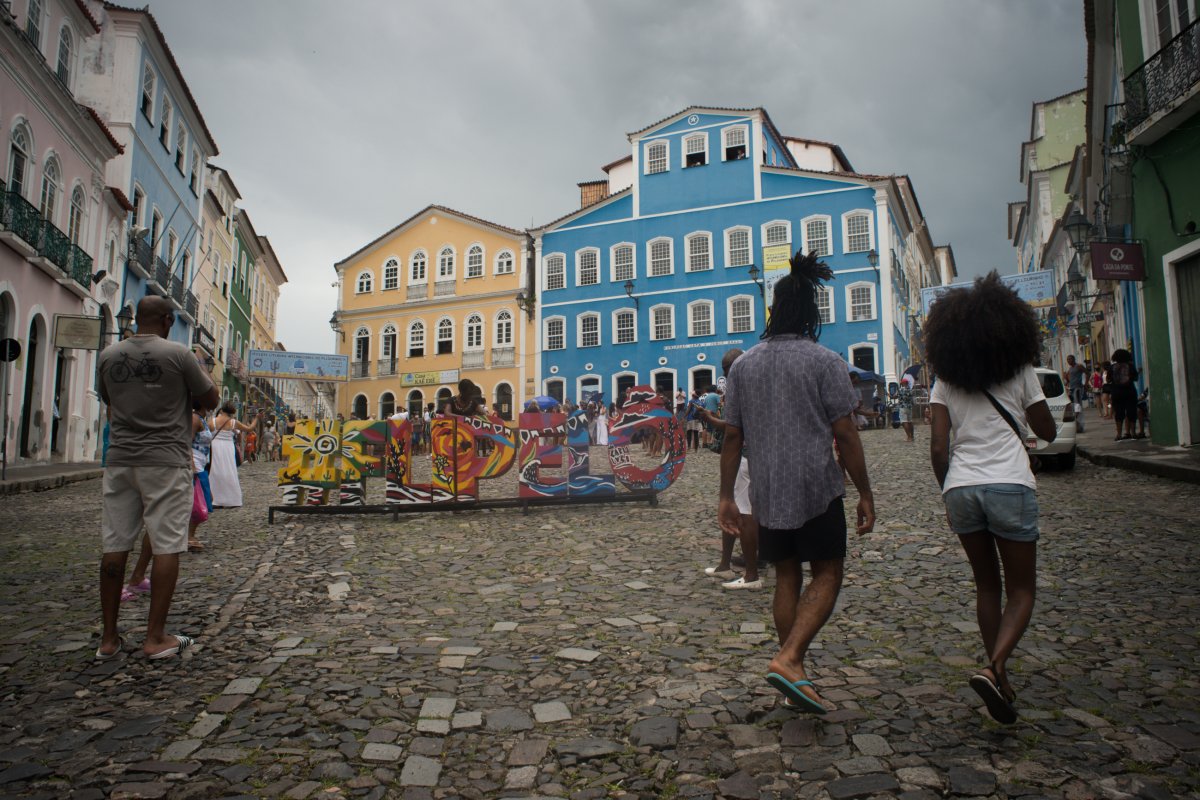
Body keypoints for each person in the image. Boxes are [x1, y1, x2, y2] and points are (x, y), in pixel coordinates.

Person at [718, 252, 875, 714]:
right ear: (810, 312)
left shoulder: (744, 366)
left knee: (786, 574)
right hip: (818, 486)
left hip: (767, 489)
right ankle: (789, 660)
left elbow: (732, 436)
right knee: (827, 571)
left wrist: (727, 496)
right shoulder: (825, 361)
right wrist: (864, 491)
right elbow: (845, 432)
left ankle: (794, 669)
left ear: (773, 310)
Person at [926, 272, 1057, 725]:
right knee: (1022, 589)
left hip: (961, 486)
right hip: (1009, 484)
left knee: (987, 586)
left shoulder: (944, 382)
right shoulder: (1020, 371)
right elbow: (1046, 431)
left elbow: (939, 448)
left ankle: (996, 676)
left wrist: (948, 492)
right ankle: (995, 666)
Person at [95, 295, 218, 659]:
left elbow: (109, 400)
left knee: (115, 543)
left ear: (136, 320)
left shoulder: (108, 355)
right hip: (165, 459)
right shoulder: (178, 355)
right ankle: (155, 638)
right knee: (167, 545)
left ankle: (108, 639)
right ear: (167, 320)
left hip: (120, 459)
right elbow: (209, 398)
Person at [700, 348, 761, 590]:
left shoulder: (742, 387)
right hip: (748, 457)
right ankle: (725, 564)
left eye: (726, 370)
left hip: (744, 457)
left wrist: (710, 418)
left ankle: (752, 574)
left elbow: (733, 428)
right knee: (734, 509)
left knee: (743, 514)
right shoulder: (753, 385)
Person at [209, 403, 255, 508]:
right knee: (230, 470)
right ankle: (231, 499)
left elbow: (204, 432)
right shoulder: (234, 422)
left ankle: (215, 499)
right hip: (228, 447)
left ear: (222, 410)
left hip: (215, 446)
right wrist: (256, 418)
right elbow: (249, 428)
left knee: (215, 471)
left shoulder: (213, 421)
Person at [1109, 349, 1139, 441]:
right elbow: (1135, 378)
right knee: (1131, 412)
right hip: (1129, 392)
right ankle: (1133, 433)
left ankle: (1119, 434)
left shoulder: (1112, 367)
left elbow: (1109, 379)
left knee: (1118, 413)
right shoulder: (1130, 366)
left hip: (1116, 392)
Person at [1064, 355, 1087, 433]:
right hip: (1072, 389)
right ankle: (1078, 426)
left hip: (1078, 388)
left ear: (1074, 359)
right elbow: (1068, 380)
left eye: (1070, 359)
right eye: (1067, 359)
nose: (1068, 361)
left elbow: (1088, 373)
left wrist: (1085, 384)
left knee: (1078, 407)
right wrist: (1066, 379)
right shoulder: (1070, 369)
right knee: (1075, 406)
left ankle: (1079, 425)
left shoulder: (1079, 366)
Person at [898, 375, 915, 442]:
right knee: (910, 422)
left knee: (904, 422)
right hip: (909, 408)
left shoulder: (900, 389)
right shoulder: (910, 390)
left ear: (903, 383)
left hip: (902, 407)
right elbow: (912, 401)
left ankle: (909, 437)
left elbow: (896, 396)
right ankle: (912, 436)